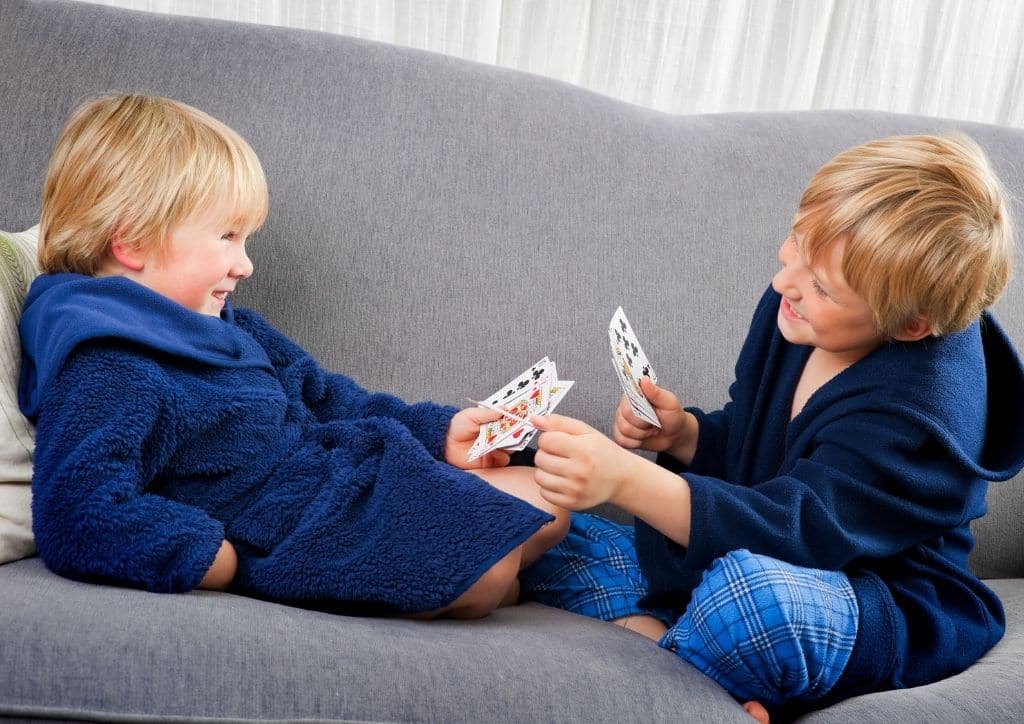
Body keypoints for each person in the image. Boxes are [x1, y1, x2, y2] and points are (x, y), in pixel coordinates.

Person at [520, 133, 1024, 720]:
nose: (787, 282)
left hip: (860, 595)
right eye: (795, 248)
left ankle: (675, 667)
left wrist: (628, 480)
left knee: (753, 600)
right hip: (751, 544)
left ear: (911, 325)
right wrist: (685, 436)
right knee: (539, 518)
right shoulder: (798, 312)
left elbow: (801, 530)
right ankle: (697, 656)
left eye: (821, 286)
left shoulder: (918, 416)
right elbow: (758, 443)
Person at [19, 93, 568, 619]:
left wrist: (438, 432)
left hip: (346, 477)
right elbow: (77, 517)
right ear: (132, 242)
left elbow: (327, 396)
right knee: (494, 570)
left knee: (548, 499)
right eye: (228, 237)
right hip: (293, 528)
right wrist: (211, 555)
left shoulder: (233, 327)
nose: (245, 265)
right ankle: (484, 584)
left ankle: (490, 581)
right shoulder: (107, 364)